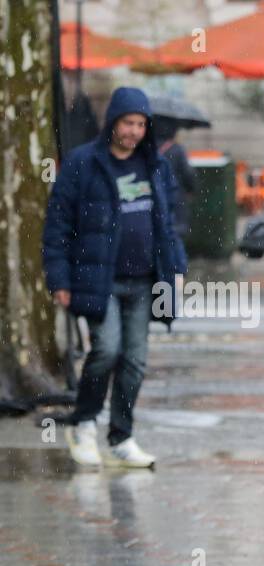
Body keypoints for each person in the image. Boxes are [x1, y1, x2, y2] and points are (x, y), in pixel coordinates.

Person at [43, 86, 188, 469]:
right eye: (128, 122)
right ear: (113, 122)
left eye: (141, 124)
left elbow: (168, 225)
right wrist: (58, 280)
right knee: (106, 349)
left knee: (135, 360)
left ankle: (121, 436)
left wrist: (177, 270)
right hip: (98, 279)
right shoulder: (81, 163)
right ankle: (84, 423)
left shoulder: (156, 166)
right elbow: (57, 225)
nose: (134, 131)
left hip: (144, 281)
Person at [153, 116, 198, 246]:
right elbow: (188, 175)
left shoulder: (146, 148)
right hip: (175, 203)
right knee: (174, 240)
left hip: (153, 202)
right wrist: (191, 190)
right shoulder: (177, 150)